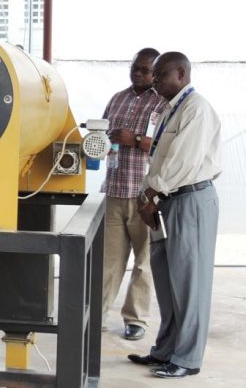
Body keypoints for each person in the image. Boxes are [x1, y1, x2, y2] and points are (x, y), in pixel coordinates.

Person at [129, 52, 221, 379]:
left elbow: (183, 162)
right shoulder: (170, 108)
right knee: (167, 281)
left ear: (181, 74)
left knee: (189, 283)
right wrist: (147, 196)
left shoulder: (196, 110)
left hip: (189, 200)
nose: (154, 81)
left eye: (160, 75)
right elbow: (158, 160)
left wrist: (150, 196)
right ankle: (165, 350)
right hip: (167, 200)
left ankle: (187, 358)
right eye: (153, 76)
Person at [100, 47, 167, 341]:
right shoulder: (118, 98)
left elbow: (166, 147)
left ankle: (136, 319)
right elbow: (103, 134)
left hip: (145, 195)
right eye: (134, 68)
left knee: (144, 261)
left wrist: (136, 139)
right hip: (114, 190)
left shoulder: (163, 104)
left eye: (144, 70)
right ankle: (96, 314)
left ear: (156, 73)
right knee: (107, 261)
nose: (137, 74)